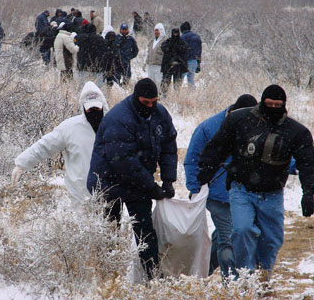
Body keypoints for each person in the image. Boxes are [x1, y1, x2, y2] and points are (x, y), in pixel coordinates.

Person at [197, 85, 314, 281]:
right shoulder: (239, 120)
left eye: (278, 105)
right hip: (241, 189)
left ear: (284, 105)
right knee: (242, 230)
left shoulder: (295, 132)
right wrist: (204, 172)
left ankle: (263, 276)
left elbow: (308, 163)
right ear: (262, 102)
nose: (274, 108)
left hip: (273, 193)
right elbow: (217, 147)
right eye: (269, 104)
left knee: (272, 240)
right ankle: (246, 276)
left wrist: (309, 192)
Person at [87, 78, 178, 280]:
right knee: (110, 232)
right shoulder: (118, 119)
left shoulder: (159, 114)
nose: (151, 106)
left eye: (154, 101)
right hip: (107, 182)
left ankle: (154, 278)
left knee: (145, 232)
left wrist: (168, 179)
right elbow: (123, 161)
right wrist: (151, 186)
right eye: (146, 102)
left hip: (136, 182)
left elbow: (169, 145)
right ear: (137, 98)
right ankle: (108, 280)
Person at [184, 94, 258, 279]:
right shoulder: (208, 128)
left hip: (246, 195)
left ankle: (199, 274)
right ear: (232, 112)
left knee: (224, 237)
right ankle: (233, 286)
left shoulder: (260, 126)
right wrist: (195, 189)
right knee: (230, 240)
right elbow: (192, 160)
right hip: (218, 196)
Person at [12, 81, 109, 209]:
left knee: (112, 227)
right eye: (90, 108)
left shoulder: (114, 124)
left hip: (110, 191)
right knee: (84, 226)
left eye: (97, 108)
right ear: (83, 107)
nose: (94, 112)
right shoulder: (70, 127)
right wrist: (22, 163)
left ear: (103, 105)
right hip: (80, 194)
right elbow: (45, 146)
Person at [160, 28, 188, 95]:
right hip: (168, 66)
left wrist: (177, 48)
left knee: (177, 84)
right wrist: (170, 48)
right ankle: (164, 96)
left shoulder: (182, 42)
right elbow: (163, 47)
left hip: (178, 66)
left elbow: (185, 49)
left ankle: (176, 97)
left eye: (176, 33)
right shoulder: (168, 41)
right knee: (165, 82)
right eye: (174, 33)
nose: (175, 35)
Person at [180, 21, 202, 88]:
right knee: (191, 80)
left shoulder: (182, 38)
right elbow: (199, 51)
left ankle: (177, 96)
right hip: (194, 61)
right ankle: (191, 95)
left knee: (179, 81)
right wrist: (198, 63)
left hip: (184, 62)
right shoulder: (197, 37)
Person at [144, 23, 165, 88]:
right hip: (150, 64)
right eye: (155, 30)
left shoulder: (165, 41)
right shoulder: (151, 41)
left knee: (158, 82)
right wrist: (145, 62)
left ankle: (158, 95)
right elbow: (148, 52)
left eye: (157, 30)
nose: (156, 32)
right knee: (150, 82)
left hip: (159, 65)